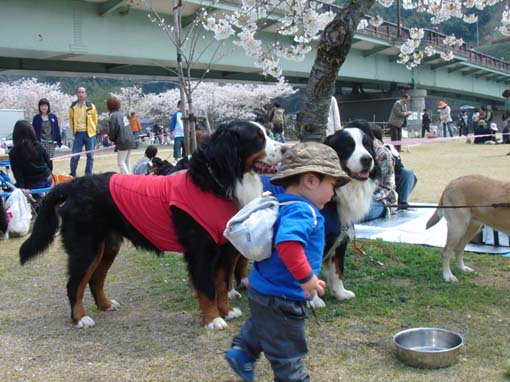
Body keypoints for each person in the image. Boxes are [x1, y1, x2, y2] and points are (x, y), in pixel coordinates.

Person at [225, 141, 350, 382]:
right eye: (332, 185)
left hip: (262, 288)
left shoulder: (282, 203)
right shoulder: (303, 211)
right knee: (288, 350)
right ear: (311, 180)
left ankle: (243, 351)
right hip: (284, 295)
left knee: (263, 322)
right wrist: (306, 278)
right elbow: (288, 245)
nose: (334, 193)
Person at [373, 126, 417, 210]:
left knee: (407, 172)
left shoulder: (387, 148)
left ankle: (402, 202)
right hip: (376, 188)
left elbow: (399, 166)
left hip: (392, 184)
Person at [361, 125, 398, 222]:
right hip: (359, 199)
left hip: (382, 201)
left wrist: (367, 199)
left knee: (361, 214)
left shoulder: (383, 154)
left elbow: (387, 188)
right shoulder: (357, 153)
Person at [9, 120, 52, 194]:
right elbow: (49, 161)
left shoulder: (14, 152)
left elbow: (17, 173)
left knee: (10, 189)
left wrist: (21, 188)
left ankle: (37, 201)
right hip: (47, 178)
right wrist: (49, 173)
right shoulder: (38, 145)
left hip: (33, 183)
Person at [69, 86, 98, 177]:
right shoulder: (72, 107)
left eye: (82, 92)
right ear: (76, 94)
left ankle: (88, 175)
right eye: (79, 92)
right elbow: (71, 120)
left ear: (86, 94)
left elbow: (95, 119)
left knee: (90, 156)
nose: (81, 94)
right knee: (75, 156)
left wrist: (92, 129)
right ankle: (72, 174)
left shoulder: (91, 106)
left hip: (90, 134)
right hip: (78, 134)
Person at [107, 96, 134, 174]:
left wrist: (112, 139)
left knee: (121, 162)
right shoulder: (122, 114)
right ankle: (131, 178)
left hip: (122, 140)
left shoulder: (113, 116)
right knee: (127, 161)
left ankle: (127, 180)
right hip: (130, 139)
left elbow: (112, 130)